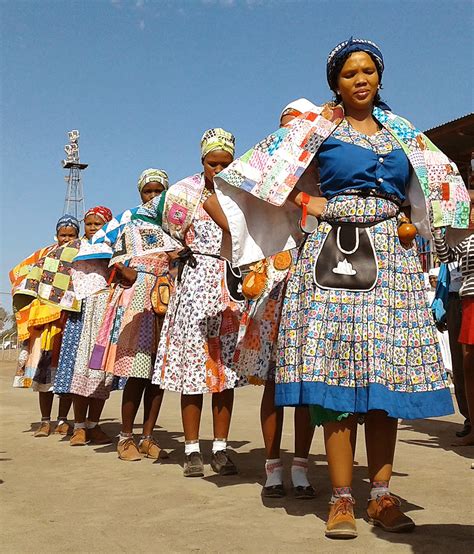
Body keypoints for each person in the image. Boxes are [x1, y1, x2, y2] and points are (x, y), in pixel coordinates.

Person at [209, 38, 470, 538]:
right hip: (334, 255)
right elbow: (257, 176)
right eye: (350, 73)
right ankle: (343, 500)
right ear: (336, 83)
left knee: (387, 377)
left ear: (380, 77)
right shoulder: (315, 131)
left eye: (369, 71)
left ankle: (383, 496)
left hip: (391, 262)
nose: (361, 80)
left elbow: (441, 181)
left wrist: (426, 219)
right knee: (337, 374)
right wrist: (314, 204)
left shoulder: (403, 135)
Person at [133, 129, 245, 477]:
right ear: (202, 161)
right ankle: (193, 449)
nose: (220, 169)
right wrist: (170, 250)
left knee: (224, 372)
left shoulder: (241, 194)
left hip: (229, 285)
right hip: (195, 284)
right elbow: (140, 220)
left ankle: (222, 448)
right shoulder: (182, 194)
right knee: (194, 370)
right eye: (214, 163)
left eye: (226, 163)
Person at [234, 100, 317, 499]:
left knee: (304, 379)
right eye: (285, 128)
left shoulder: (324, 173)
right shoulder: (265, 176)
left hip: (319, 276)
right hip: (275, 279)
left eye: (299, 127)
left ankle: (301, 465)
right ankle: (272, 465)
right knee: (272, 377)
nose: (292, 135)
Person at [89, 169, 177, 461]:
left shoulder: (172, 226)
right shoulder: (129, 223)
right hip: (137, 300)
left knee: (156, 376)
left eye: (158, 191)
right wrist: (125, 271)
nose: (152, 196)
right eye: (148, 191)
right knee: (137, 372)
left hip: (164, 298)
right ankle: (126, 437)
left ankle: (148, 437)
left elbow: (179, 259)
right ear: (140, 192)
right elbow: (104, 251)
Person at [10, 215, 80, 437]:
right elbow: (22, 275)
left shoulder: (80, 257)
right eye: (63, 235)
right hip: (45, 323)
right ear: (56, 235)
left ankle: (62, 420)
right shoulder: (45, 257)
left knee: (65, 374)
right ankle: (45, 421)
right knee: (44, 375)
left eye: (71, 235)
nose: (67, 239)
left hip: (69, 322)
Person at [53, 206, 116, 446]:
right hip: (79, 315)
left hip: (105, 312)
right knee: (79, 368)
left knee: (101, 371)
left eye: (97, 224)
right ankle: (78, 425)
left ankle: (94, 424)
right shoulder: (74, 249)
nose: (92, 228)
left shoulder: (114, 247)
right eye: (88, 223)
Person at [433, 189, 474, 446]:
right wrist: (439, 228)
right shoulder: (468, 241)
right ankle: (472, 427)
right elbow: (446, 257)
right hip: (468, 301)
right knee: (468, 366)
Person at [426, 267, 452, 375]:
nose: (432, 281)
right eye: (430, 279)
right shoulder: (427, 294)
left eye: (435, 278)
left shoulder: (444, 293)